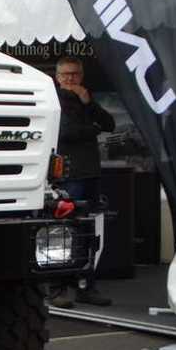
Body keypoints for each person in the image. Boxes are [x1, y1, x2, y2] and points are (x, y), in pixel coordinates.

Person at [50, 56, 115, 308]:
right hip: (67, 174)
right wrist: (92, 129)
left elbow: (109, 124)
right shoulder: (54, 99)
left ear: (81, 75)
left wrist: (89, 104)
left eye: (74, 74)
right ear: (57, 77)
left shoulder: (87, 99)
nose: (70, 79)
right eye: (65, 74)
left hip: (90, 172)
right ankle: (57, 288)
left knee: (90, 231)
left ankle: (86, 285)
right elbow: (66, 132)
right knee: (64, 231)